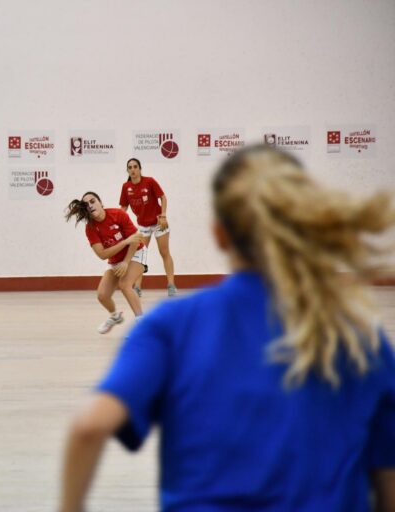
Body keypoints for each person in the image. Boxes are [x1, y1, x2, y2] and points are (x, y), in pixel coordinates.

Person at [60, 145, 395, 511]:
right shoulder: (357, 335)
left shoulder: (169, 328)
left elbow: (89, 428)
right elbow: (387, 481)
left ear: (219, 234)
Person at [65, 191, 146, 334]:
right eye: (86, 204)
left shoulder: (118, 214)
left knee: (124, 284)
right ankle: (115, 316)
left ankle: (142, 325)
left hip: (136, 252)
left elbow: (135, 240)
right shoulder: (90, 228)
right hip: (116, 260)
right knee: (102, 295)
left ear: (100, 203)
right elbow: (102, 254)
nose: (90, 205)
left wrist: (126, 262)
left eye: (93, 201)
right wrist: (124, 242)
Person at [119, 158, 177, 297]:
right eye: (130, 167)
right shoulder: (126, 187)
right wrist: (118, 222)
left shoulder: (149, 181)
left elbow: (163, 197)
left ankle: (171, 285)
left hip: (158, 223)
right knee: (140, 257)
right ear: (127, 170)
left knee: (164, 252)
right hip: (143, 226)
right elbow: (123, 207)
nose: (133, 169)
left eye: (135, 166)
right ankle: (137, 288)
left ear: (140, 169)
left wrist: (163, 215)